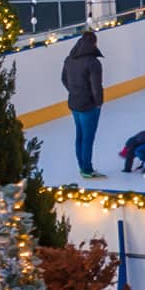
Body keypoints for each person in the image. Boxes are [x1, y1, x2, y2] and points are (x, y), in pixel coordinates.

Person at [61, 28, 105, 179]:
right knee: (88, 138)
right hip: (89, 106)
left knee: (79, 136)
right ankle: (87, 169)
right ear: (93, 43)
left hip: (74, 103)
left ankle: (82, 167)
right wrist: (98, 102)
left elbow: (64, 79)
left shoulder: (69, 59)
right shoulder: (93, 63)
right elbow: (96, 87)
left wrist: (74, 91)